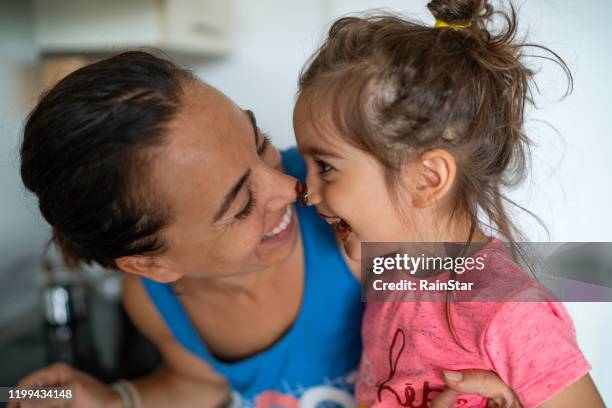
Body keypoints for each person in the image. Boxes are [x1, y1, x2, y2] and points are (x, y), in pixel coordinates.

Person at [12, 51, 522, 408]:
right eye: (239, 206)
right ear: (152, 265)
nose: (289, 188)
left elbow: (561, 280)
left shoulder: (345, 211)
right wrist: (115, 399)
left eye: (260, 144)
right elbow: (201, 381)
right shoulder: (150, 301)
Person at [293, 0, 605, 407]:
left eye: (325, 166)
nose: (308, 191)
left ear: (427, 179)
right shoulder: (392, 272)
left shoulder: (510, 313)